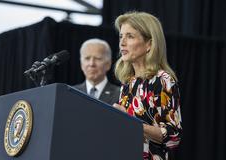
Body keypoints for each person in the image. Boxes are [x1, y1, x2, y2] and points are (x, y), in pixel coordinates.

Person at [112, 11, 182, 160]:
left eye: (130, 36)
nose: (122, 42)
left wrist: (131, 123)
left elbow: (173, 136)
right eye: (121, 36)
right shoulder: (128, 82)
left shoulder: (162, 80)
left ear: (149, 44)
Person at [74, 38, 120, 105]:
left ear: (108, 64)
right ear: (81, 64)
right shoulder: (71, 92)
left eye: (98, 58)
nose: (91, 64)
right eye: (87, 58)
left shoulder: (119, 95)